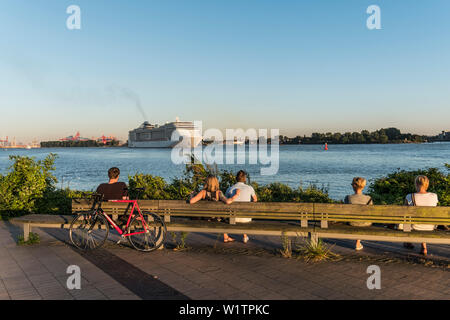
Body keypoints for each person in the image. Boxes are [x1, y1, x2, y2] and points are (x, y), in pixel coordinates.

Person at [189, 175, 239, 243]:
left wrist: (192, 195)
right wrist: (236, 195)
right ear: (216, 183)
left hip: (206, 218)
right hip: (216, 219)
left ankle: (226, 237)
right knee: (223, 217)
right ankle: (226, 237)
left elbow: (191, 201)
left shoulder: (203, 192)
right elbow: (227, 201)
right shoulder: (218, 193)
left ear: (207, 182)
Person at [401, 175, 438, 256]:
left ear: (416, 184)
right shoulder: (434, 196)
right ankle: (424, 247)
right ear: (427, 184)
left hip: (415, 226)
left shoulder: (409, 196)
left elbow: (404, 213)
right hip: (431, 226)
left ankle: (408, 241)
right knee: (425, 218)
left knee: (406, 218)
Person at [225, 170, 258, 244]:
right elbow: (255, 200)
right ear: (245, 179)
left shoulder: (230, 189)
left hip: (233, 218)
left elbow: (226, 202)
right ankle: (245, 236)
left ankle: (244, 236)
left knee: (235, 213)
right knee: (244, 213)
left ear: (236, 178)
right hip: (246, 218)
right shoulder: (250, 188)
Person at [344, 177, 373, 251]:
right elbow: (370, 212)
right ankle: (358, 242)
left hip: (352, 222)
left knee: (356, 219)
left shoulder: (348, 198)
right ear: (363, 186)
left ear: (353, 186)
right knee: (362, 219)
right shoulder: (368, 198)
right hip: (365, 223)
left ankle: (358, 242)